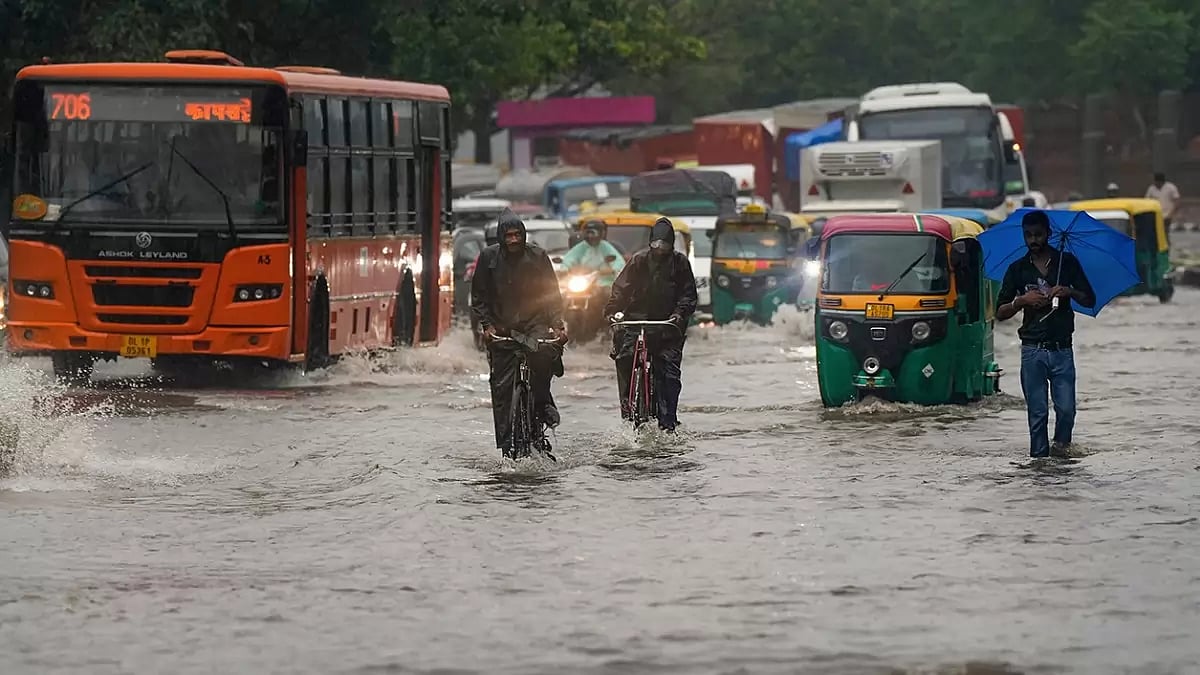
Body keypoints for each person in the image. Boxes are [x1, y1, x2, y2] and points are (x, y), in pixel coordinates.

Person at [995, 210, 1097, 459]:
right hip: (1032, 350)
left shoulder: (1067, 263)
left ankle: (1061, 454)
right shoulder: (1017, 269)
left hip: (1062, 349)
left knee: (1067, 410)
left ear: (1048, 234)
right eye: (1028, 235)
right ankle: (1039, 463)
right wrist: (1021, 301)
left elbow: (1089, 299)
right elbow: (999, 312)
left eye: (1038, 234)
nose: (1033, 240)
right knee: (1037, 413)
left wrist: (1069, 292)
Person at [470, 208, 567, 455]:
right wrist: (487, 326)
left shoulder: (538, 256)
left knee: (544, 356)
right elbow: (479, 297)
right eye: (508, 236)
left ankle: (543, 405)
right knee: (501, 387)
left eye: (517, 235)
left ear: (523, 235)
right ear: (501, 237)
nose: (513, 240)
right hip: (501, 326)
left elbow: (552, 294)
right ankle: (506, 445)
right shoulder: (488, 258)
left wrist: (557, 324)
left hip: (534, 323)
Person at [604, 217, 698, 431]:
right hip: (636, 321)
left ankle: (668, 423)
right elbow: (621, 288)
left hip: (667, 325)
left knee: (669, 373)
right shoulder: (638, 261)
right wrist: (612, 310)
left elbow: (688, 294)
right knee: (624, 359)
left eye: (664, 245)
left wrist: (679, 314)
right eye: (656, 244)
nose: (659, 249)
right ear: (650, 243)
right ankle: (627, 409)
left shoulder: (680, 263)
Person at [560, 220, 626, 289]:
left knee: (606, 292)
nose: (590, 236)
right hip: (583, 282)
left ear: (601, 233)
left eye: (593, 233)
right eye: (587, 233)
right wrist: (564, 269)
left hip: (604, 283)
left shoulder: (605, 247)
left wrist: (612, 270)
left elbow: (619, 262)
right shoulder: (581, 247)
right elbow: (569, 259)